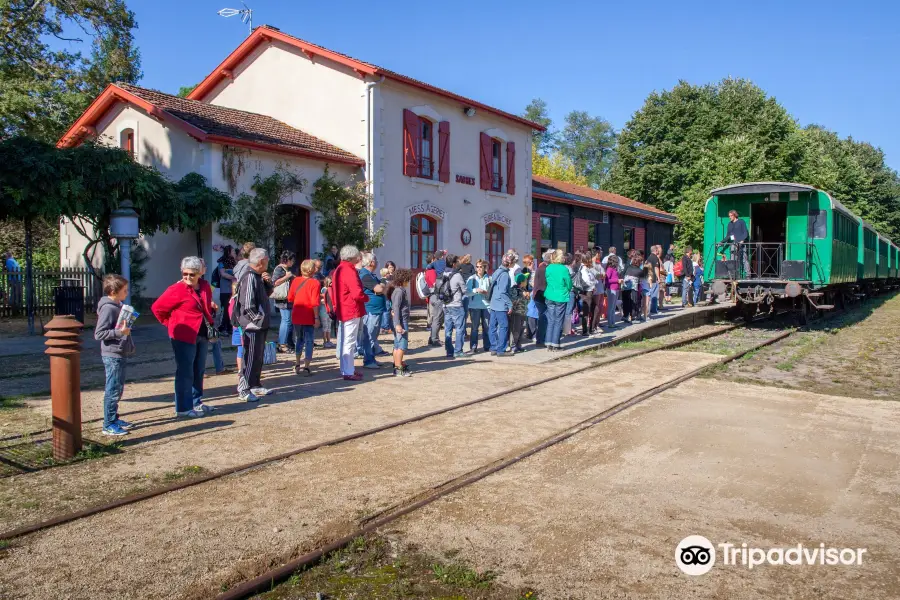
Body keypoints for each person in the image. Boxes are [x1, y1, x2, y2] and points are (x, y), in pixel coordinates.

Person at [151, 256, 218, 417]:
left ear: (199, 274)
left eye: (191, 274)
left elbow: (205, 305)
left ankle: (196, 401)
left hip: (202, 333)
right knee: (185, 371)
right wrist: (171, 323)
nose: (188, 277)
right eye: (185, 274)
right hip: (183, 335)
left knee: (199, 369)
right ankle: (183, 408)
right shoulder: (176, 289)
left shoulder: (204, 286)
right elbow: (157, 308)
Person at [94, 274, 136, 436]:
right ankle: (108, 423)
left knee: (118, 388)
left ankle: (114, 417)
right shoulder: (108, 308)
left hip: (120, 351)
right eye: (124, 290)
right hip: (112, 354)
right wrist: (120, 332)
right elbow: (99, 333)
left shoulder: (119, 305)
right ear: (113, 291)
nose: (126, 292)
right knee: (112, 389)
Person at [235, 248, 274, 401]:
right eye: (267, 259)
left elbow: (266, 294)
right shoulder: (249, 277)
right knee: (250, 358)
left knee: (258, 357)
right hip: (252, 326)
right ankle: (243, 389)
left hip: (260, 325)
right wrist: (258, 320)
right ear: (261, 261)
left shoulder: (258, 276)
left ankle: (255, 385)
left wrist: (268, 283)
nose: (268, 262)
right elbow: (247, 305)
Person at [331, 245, 368, 381]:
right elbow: (357, 293)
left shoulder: (340, 269)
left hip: (343, 307)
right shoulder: (348, 270)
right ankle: (348, 371)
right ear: (352, 257)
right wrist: (366, 297)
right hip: (351, 308)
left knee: (345, 340)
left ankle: (346, 369)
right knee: (349, 341)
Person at [287, 259, 321, 377]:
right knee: (309, 340)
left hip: (297, 313)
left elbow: (290, 297)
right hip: (308, 314)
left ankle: (297, 363)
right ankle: (306, 366)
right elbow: (314, 302)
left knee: (299, 339)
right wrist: (316, 318)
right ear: (312, 270)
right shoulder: (315, 283)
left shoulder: (295, 280)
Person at [200, 259, 231, 376]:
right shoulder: (189, 284)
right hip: (200, 321)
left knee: (216, 342)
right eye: (204, 266)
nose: (206, 268)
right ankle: (200, 370)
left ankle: (220, 368)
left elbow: (207, 297)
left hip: (209, 319)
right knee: (200, 348)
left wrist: (212, 303)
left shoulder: (204, 284)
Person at [357, 252, 388, 369]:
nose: (377, 262)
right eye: (375, 260)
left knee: (373, 336)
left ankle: (372, 358)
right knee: (369, 336)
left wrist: (381, 286)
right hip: (371, 310)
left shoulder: (371, 274)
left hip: (376, 309)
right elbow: (379, 288)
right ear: (371, 262)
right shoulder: (365, 275)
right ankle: (368, 360)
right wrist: (383, 284)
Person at [437, 254, 467, 358]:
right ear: (454, 264)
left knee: (448, 330)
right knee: (459, 328)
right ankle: (458, 351)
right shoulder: (457, 275)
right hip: (456, 305)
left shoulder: (442, 274)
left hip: (445, 305)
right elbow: (464, 290)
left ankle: (449, 351)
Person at [489, 250, 517, 356]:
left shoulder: (497, 271)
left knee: (492, 326)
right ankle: (501, 349)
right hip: (501, 305)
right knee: (504, 326)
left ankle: (493, 347)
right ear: (510, 263)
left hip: (493, 303)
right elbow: (503, 292)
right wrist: (510, 304)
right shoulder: (505, 275)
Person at [543, 249, 572, 351]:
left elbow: (547, 279)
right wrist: (567, 290)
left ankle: (548, 342)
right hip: (560, 296)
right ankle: (555, 344)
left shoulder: (549, 268)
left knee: (551, 320)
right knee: (558, 320)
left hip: (550, 294)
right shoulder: (564, 269)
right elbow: (569, 283)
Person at [389, 268, 413, 377]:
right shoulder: (399, 291)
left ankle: (397, 365)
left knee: (397, 344)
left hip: (400, 320)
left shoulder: (399, 290)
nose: (409, 281)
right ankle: (398, 368)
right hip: (401, 321)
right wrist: (398, 324)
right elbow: (396, 307)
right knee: (402, 345)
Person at [465, 259, 492, 354]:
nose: (479, 268)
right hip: (474, 306)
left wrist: (485, 292)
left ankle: (487, 346)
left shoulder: (489, 278)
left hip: (486, 306)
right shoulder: (471, 279)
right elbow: (466, 292)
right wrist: (475, 290)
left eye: (481, 267)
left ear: (485, 268)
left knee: (487, 328)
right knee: (474, 328)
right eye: (477, 267)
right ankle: (473, 347)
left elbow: (492, 293)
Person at [272, 250, 296, 353]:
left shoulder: (286, 269)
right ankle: (282, 344)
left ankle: (289, 343)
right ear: (288, 260)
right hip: (283, 299)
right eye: (292, 260)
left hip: (288, 299)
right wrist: (287, 276)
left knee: (289, 322)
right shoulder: (279, 269)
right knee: (286, 321)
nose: (293, 262)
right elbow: (275, 282)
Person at [531, 251, 551, 347]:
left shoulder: (540, 268)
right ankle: (541, 340)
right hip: (542, 295)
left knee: (542, 317)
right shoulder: (546, 269)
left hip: (538, 295)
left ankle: (542, 339)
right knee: (544, 318)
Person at [216, 245, 237, 334]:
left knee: (231, 309)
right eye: (232, 251)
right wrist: (234, 277)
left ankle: (229, 327)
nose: (234, 253)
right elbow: (223, 274)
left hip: (233, 290)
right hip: (225, 290)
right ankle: (222, 327)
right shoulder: (222, 262)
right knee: (225, 309)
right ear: (228, 252)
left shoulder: (234, 262)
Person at [425, 253, 444, 347]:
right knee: (437, 319)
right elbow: (434, 284)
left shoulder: (427, 271)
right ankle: (434, 339)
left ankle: (431, 338)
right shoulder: (433, 272)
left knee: (434, 318)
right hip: (436, 296)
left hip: (430, 297)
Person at [577, 254, 598, 336]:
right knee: (587, 311)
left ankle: (591, 329)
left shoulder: (587, 269)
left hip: (590, 291)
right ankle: (585, 331)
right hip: (586, 292)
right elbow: (587, 281)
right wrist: (593, 283)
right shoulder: (583, 269)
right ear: (587, 260)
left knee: (594, 309)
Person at [724, 210, 750, 275]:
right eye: (729, 216)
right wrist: (721, 242)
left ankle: (748, 274)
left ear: (735, 215)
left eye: (731, 216)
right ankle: (734, 274)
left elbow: (745, 233)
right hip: (733, 244)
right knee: (733, 259)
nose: (730, 217)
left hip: (741, 244)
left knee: (744, 259)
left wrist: (742, 241)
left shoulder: (741, 222)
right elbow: (728, 236)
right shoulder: (730, 224)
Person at [509, 273, 530, 352]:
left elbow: (527, 302)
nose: (527, 281)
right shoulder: (515, 290)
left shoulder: (524, 289)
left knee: (522, 329)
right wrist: (522, 295)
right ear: (522, 281)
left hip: (523, 313)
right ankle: (513, 346)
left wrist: (528, 297)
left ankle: (519, 345)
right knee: (515, 330)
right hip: (516, 313)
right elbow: (513, 301)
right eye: (525, 280)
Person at [380, 261, 396, 333]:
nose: (391, 269)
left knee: (390, 311)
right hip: (387, 296)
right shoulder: (385, 278)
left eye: (392, 267)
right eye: (390, 267)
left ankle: (388, 326)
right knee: (386, 311)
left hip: (392, 296)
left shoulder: (394, 276)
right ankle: (385, 327)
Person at [605, 254, 621, 329]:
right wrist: (617, 280)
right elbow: (607, 280)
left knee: (614, 307)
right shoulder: (609, 269)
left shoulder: (615, 269)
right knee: (611, 307)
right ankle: (610, 323)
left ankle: (613, 323)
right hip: (611, 289)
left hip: (616, 288)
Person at [647, 245, 662, 315]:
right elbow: (656, 268)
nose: (658, 251)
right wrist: (658, 278)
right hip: (653, 279)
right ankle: (654, 310)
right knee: (654, 295)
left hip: (649, 278)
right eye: (658, 250)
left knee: (650, 294)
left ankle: (649, 309)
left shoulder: (649, 257)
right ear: (655, 250)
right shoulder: (655, 258)